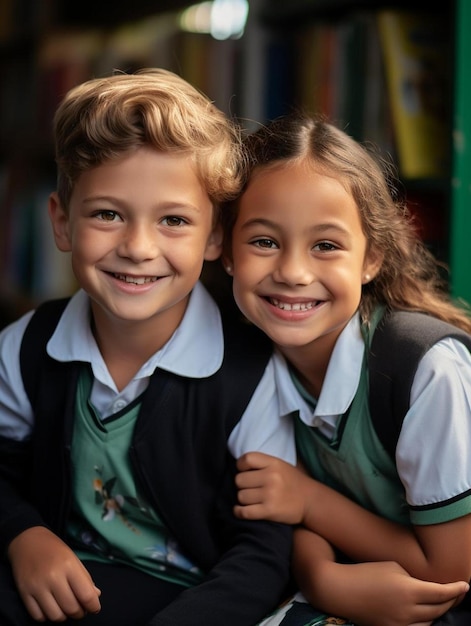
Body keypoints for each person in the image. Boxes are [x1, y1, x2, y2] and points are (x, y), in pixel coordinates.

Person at [0, 69, 296, 626]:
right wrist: (24, 535)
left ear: (215, 237)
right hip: (57, 584)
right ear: (62, 223)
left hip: (192, 601)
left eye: (174, 221)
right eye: (107, 214)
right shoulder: (26, 348)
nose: (138, 247)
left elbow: (262, 553)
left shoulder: (253, 375)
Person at [221, 112, 471, 626]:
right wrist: (320, 575)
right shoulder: (243, 359)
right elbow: (280, 509)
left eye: (326, 245)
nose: (292, 272)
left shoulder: (426, 372)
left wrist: (310, 504)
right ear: (225, 251)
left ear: (371, 259)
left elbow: (451, 572)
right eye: (264, 241)